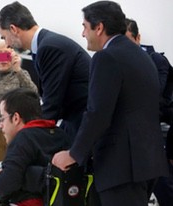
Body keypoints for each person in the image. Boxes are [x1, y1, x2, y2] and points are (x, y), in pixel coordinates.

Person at [52, 1, 168, 206]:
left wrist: (74, 154)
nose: (83, 34)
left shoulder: (106, 57)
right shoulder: (141, 56)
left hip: (121, 166)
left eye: (85, 27)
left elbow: (98, 113)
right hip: (147, 162)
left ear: (99, 27)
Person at [0, 1, 90, 142]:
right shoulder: (43, 46)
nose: (7, 44)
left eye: (4, 37)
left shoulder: (49, 47)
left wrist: (24, 133)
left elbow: (52, 104)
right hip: (76, 121)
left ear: (13, 29)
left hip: (84, 124)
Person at [0, 88, 70, 206]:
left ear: (15, 118)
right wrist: (3, 173)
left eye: (2, 118)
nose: (0, 125)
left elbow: (7, 184)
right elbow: (38, 174)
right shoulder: (59, 134)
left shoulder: (22, 139)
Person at [125, 18, 173, 206]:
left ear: (137, 38)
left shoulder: (156, 60)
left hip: (155, 132)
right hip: (136, 135)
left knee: (162, 185)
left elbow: (155, 93)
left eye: (127, 40)